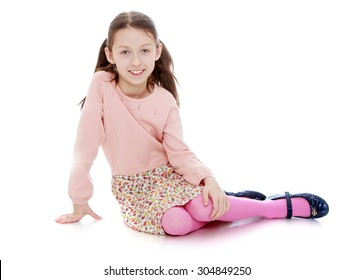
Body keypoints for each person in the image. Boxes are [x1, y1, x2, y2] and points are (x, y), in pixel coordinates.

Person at [55, 11, 329, 236]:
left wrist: (207, 179)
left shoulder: (164, 100)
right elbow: (86, 142)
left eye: (144, 50)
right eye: (125, 52)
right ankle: (229, 202)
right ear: (111, 55)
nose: (136, 61)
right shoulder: (102, 84)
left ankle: (277, 207)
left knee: (201, 209)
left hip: (168, 177)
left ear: (157, 51)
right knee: (176, 224)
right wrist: (79, 199)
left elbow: (179, 153)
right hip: (132, 188)